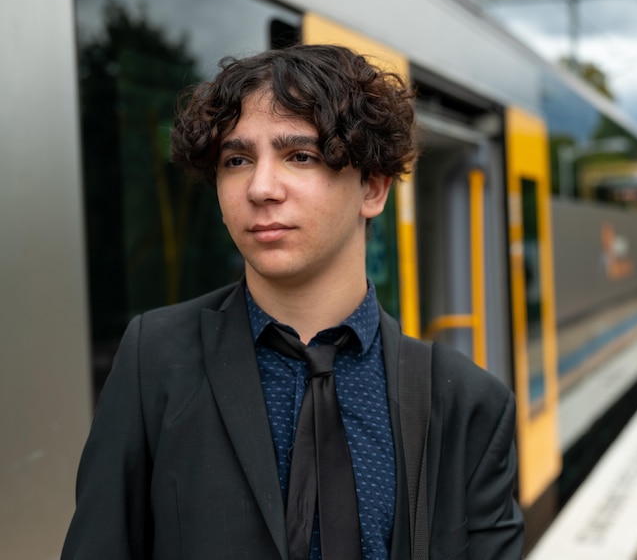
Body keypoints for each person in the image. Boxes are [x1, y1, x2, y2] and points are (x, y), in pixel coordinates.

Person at [61, 44, 524, 560]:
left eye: (299, 156)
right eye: (236, 160)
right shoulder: (154, 359)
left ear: (373, 188)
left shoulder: (468, 403)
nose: (260, 188)